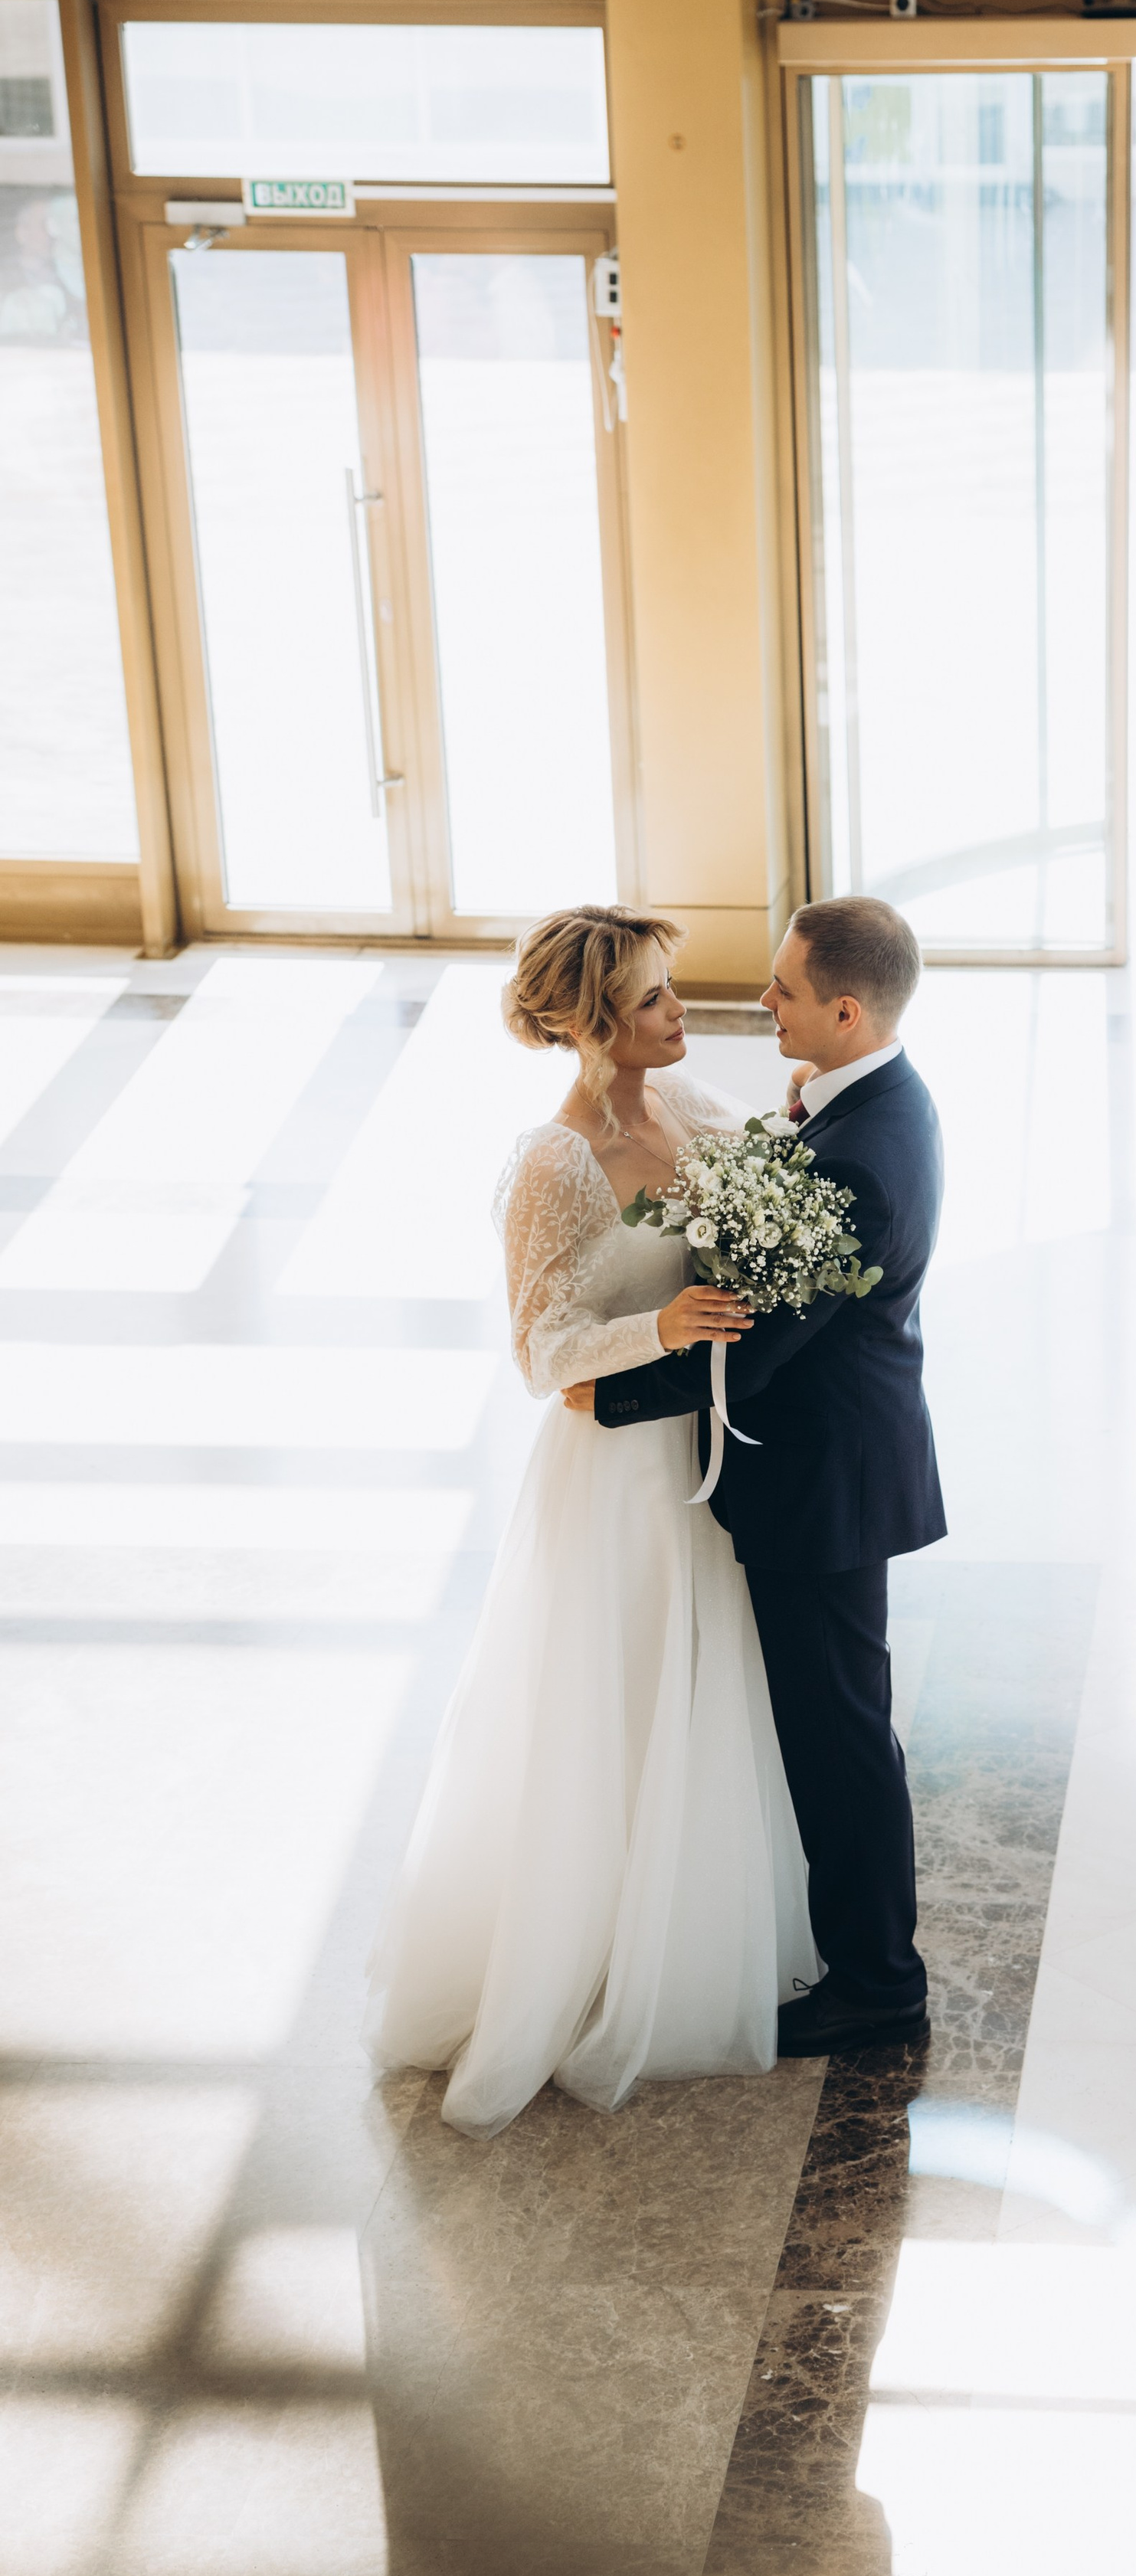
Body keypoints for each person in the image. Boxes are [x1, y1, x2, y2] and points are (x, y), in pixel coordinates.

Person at [365, 905, 814, 2139]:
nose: (682, 1013)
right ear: (596, 1023)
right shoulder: (553, 1164)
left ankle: (681, 1938)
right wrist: (662, 1330)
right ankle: (578, 1958)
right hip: (610, 1475)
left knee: (696, 1694)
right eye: (659, 999)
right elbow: (539, 1355)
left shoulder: (691, 1109)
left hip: (698, 1457)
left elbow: (773, 1187)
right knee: (601, 1705)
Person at [561, 894, 944, 2059]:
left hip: (824, 1490)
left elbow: (762, 1340)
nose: (757, 1001)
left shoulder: (861, 1159)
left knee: (840, 1741)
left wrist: (604, 1390)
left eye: (780, 989)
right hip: (838, 1471)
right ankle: (861, 1953)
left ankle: (878, 1980)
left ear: (842, 1005)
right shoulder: (863, 1103)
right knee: (839, 1731)